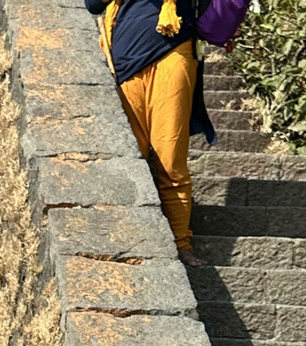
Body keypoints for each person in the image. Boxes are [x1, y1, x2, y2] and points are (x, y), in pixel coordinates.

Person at [87, 0, 215, 266]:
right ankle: (127, 237)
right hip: (125, 56)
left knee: (170, 160)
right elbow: (93, 4)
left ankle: (180, 242)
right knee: (132, 159)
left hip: (174, 51)